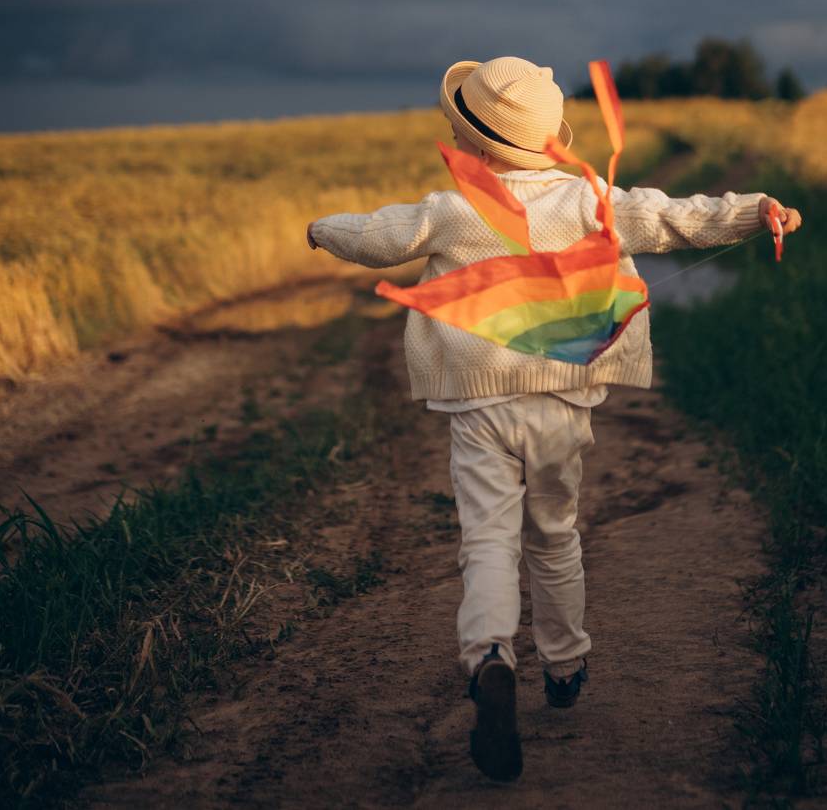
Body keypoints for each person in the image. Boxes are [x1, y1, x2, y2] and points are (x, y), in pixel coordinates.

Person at [306, 55, 801, 781]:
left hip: (479, 409)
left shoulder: (451, 208)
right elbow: (671, 217)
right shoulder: (589, 199)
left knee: (487, 540)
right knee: (554, 534)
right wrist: (755, 209)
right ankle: (564, 667)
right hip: (562, 405)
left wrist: (323, 228)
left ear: (472, 141)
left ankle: (490, 656)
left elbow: (380, 236)